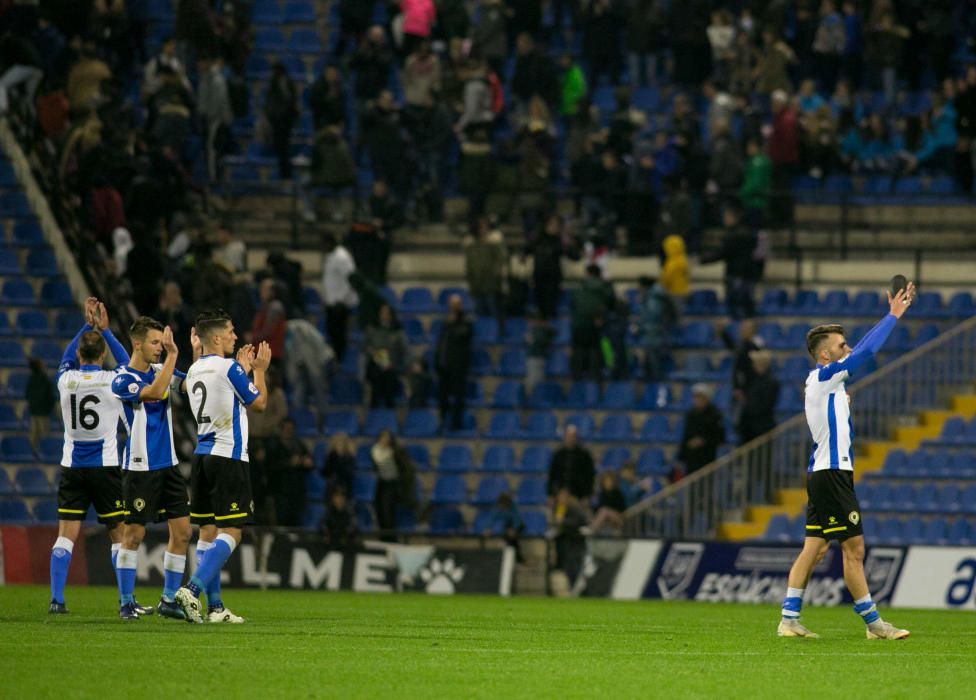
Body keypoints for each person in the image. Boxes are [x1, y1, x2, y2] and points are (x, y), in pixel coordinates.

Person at [778, 284, 915, 640]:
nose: (848, 348)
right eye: (841, 346)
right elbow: (868, 352)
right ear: (825, 356)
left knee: (815, 548)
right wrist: (893, 316)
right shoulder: (825, 377)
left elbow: (860, 349)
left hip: (822, 473)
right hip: (831, 475)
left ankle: (789, 620)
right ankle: (874, 625)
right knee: (853, 551)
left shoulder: (827, 384)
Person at [175, 311, 271, 624]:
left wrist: (239, 370)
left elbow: (210, 391)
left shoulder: (193, 371)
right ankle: (191, 589)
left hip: (202, 458)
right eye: (229, 331)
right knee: (233, 531)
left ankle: (215, 608)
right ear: (216, 338)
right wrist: (258, 371)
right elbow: (259, 403)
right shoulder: (229, 367)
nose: (234, 336)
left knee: (207, 532)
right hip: (228, 456)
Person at [48, 299, 129, 614]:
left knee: (66, 536)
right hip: (105, 468)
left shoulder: (66, 381)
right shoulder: (113, 381)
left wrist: (87, 325)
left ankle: (57, 600)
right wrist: (106, 332)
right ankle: (125, 602)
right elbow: (127, 365)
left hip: (73, 467)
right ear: (103, 355)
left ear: (80, 355)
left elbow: (66, 358)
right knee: (119, 536)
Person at [110, 316, 194, 620]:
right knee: (133, 534)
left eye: (163, 342)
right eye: (155, 342)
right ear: (137, 344)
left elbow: (187, 384)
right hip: (140, 467)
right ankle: (126, 602)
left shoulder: (162, 369)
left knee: (183, 533)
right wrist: (173, 356)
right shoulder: (121, 379)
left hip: (169, 465)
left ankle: (169, 599)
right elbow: (155, 393)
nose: (160, 348)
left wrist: (199, 357)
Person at [435, 295, 473, 431]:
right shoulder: (445, 323)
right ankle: (442, 422)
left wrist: (452, 324)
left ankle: (456, 425)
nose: (453, 307)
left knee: (458, 397)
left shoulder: (466, 321)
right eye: (451, 304)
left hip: (458, 366)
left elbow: (462, 334)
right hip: (444, 366)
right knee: (442, 397)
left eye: (455, 304)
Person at [371, 430, 417, 541]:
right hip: (381, 483)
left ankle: (390, 537)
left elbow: (407, 468)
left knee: (388, 511)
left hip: (393, 484)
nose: (384, 440)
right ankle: (382, 535)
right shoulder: (375, 451)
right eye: (382, 437)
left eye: (386, 437)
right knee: (380, 509)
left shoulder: (396, 451)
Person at [284, 318, 333, 420]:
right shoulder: (282, 335)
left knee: (320, 392)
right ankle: (301, 421)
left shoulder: (300, 326)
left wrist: (321, 362)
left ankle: (323, 422)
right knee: (299, 391)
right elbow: (291, 357)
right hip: (302, 366)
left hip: (319, 362)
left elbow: (318, 340)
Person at [321, 233, 358, 362]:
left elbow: (351, 280)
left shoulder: (342, 257)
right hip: (331, 303)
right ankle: (336, 359)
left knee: (339, 336)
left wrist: (341, 300)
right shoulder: (330, 257)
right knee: (332, 334)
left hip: (340, 304)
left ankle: (341, 360)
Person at [464, 217, 507, 323]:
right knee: (479, 313)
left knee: (493, 313)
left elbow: (502, 258)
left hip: (491, 284)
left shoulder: (493, 243)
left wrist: (495, 274)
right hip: (476, 285)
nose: (484, 229)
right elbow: (469, 264)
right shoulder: (471, 244)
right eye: (481, 227)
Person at [364, 304, 407, 408]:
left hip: (392, 363)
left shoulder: (397, 330)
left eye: (387, 313)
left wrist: (392, 362)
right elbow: (366, 346)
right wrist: (378, 357)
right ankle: (374, 405)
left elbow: (403, 349)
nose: (385, 315)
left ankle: (389, 405)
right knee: (375, 373)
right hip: (375, 362)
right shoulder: (372, 327)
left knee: (390, 374)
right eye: (382, 313)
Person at [677, 384, 725, 476]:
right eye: (696, 397)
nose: (697, 400)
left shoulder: (715, 415)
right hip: (691, 460)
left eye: (700, 397)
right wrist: (681, 457)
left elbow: (720, 437)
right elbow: (686, 436)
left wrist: (703, 441)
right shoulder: (691, 414)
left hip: (707, 458)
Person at [273, 418, 314, 527]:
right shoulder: (274, 445)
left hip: (297, 489)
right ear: (281, 430)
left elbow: (310, 462)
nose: (289, 431)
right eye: (286, 428)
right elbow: (271, 466)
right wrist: (289, 463)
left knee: (296, 520)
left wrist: (307, 463)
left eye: (291, 429)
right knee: (282, 520)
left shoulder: (299, 445)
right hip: (281, 490)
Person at [635, 276, 675, 382]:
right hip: (654, 335)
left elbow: (652, 316)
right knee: (649, 366)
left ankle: (656, 389)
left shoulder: (653, 299)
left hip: (654, 335)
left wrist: (640, 327)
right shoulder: (653, 296)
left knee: (655, 366)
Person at [737, 350, 780, 444]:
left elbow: (765, 405)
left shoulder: (770, 382)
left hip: (761, 427)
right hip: (750, 427)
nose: (753, 365)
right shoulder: (754, 380)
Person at [264, 62, 298, 179]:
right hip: (276, 121)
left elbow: (291, 102)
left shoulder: (287, 83)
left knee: (284, 149)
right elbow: (270, 103)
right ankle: (284, 175)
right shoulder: (273, 84)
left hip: (285, 121)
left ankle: (286, 175)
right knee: (280, 149)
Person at [547, 425, 596, 501]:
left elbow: (590, 477)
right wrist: (550, 495)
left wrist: (587, 496)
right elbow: (552, 476)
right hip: (560, 496)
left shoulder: (584, 455)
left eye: (572, 436)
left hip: (578, 497)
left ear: (576, 438)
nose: (570, 439)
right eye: (567, 436)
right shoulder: (558, 455)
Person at [26, 357, 56, 451]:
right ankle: (42, 453)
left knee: (34, 436)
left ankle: (35, 453)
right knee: (44, 436)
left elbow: (27, 395)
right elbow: (51, 397)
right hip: (43, 413)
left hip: (34, 412)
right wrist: (50, 408)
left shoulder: (31, 380)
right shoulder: (45, 380)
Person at [484, 492, 524, 562]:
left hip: (518, 526)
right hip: (507, 527)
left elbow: (517, 520)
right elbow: (492, 518)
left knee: (511, 538)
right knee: (508, 538)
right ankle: (515, 558)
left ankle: (517, 558)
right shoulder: (497, 507)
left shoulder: (512, 507)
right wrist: (488, 528)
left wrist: (514, 529)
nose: (502, 506)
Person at [323, 433, 356, 501]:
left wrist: (340, 458)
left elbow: (348, 474)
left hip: (345, 486)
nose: (339, 445)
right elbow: (326, 472)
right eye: (337, 443)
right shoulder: (331, 456)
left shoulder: (349, 457)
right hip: (332, 486)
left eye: (341, 443)